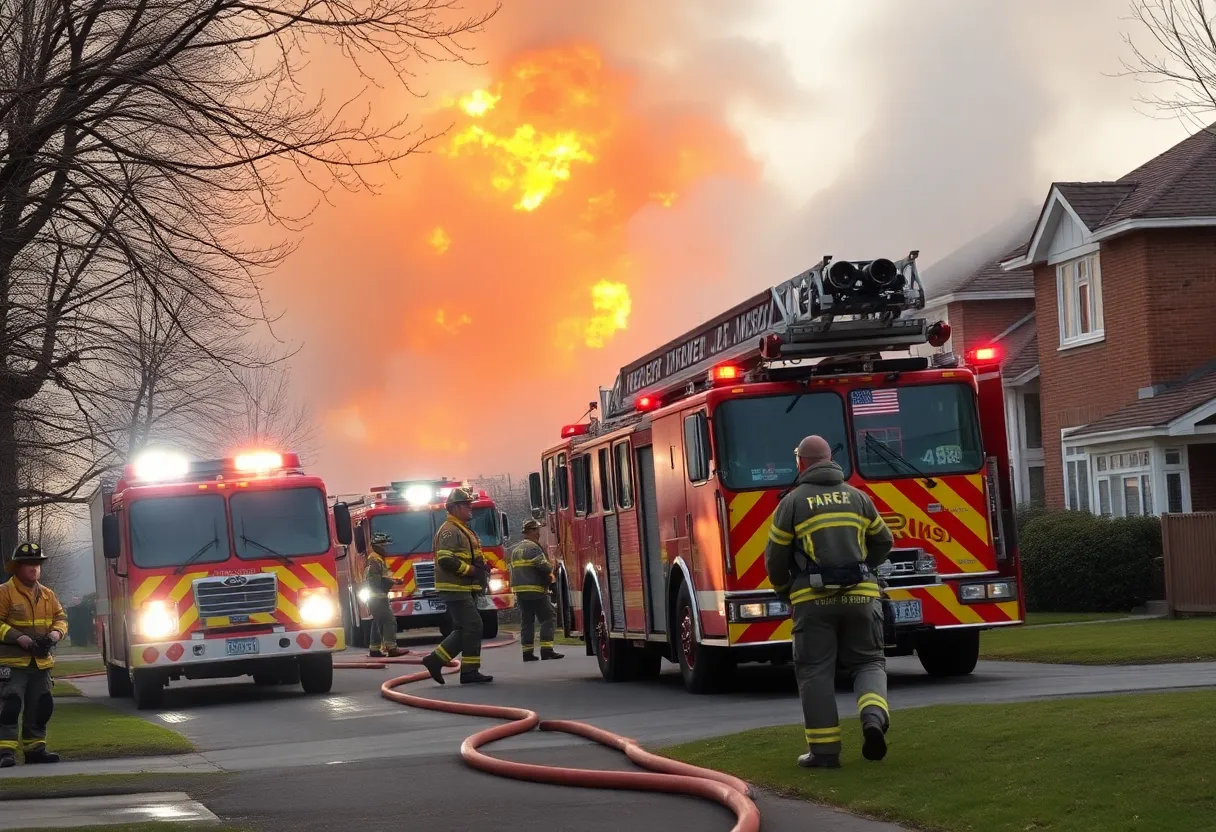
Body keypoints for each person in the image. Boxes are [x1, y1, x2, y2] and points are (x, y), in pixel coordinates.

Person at [763, 435, 895, 769]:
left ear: (802, 463)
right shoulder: (859, 498)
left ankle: (824, 752)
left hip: (814, 602)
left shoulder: (792, 503)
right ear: (829, 460)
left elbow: (775, 559)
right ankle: (873, 719)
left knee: (816, 672)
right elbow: (884, 541)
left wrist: (785, 590)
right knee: (868, 662)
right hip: (863, 597)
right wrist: (866, 567)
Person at [0, 543, 69, 768]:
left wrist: (55, 635)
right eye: (29, 564)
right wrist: (19, 638)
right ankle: (5, 752)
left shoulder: (48, 594)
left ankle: (35, 749)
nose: (34, 569)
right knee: (10, 706)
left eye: (37, 564)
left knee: (41, 706)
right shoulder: (4, 592)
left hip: (40, 663)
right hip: (12, 663)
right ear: (17, 568)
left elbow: (61, 618)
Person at [421, 488, 493, 685]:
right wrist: (470, 571)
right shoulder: (449, 530)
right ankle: (469, 671)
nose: (471, 507)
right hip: (455, 587)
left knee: (465, 628)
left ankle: (435, 659)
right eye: (466, 504)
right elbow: (445, 560)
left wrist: (481, 566)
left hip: (462, 587)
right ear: (455, 507)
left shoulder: (461, 528)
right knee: (474, 625)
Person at [509, 519, 563, 662]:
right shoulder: (533, 548)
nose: (539, 533)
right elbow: (543, 566)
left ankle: (527, 653)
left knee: (527, 621)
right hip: (535, 590)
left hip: (520, 592)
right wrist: (553, 568)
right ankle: (547, 650)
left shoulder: (516, 550)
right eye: (537, 530)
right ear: (532, 531)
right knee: (548, 617)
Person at [364, 532, 405, 658]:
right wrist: (391, 582)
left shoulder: (377, 558)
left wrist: (392, 580)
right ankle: (391, 648)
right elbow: (374, 580)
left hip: (375, 597)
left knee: (377, 622)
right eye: (385, 545)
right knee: (389, 621)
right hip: (378, 597)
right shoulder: (375, 559)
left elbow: (380, 577)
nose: (387, 548)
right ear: (379, 545)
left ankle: (374, 649)